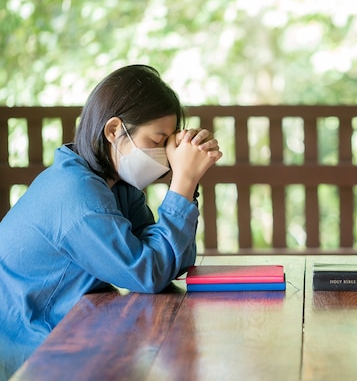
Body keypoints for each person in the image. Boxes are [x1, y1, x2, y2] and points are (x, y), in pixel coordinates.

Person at [0, 64, 222, 380]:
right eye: (158, 141)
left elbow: (173, 261)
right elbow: (147, 273)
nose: (164, 157)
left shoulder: (117, 185)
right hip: (32, 355)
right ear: (114, 130)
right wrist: (183, 181)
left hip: (76, 336)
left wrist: (184, 182)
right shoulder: (75, 194)